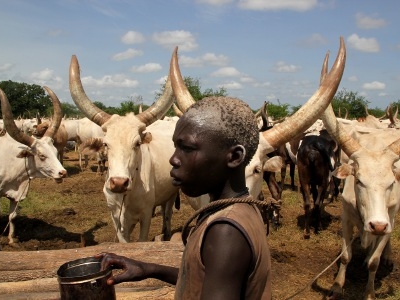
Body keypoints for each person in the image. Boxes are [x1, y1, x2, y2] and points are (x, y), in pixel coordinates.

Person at [95, 96, 272, 299]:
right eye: (175, 147)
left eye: (186, 148)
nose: (172, 159)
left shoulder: (225, 231)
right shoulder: (239, 208)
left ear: (233, 157)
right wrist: (148, 269)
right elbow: (207, 277)